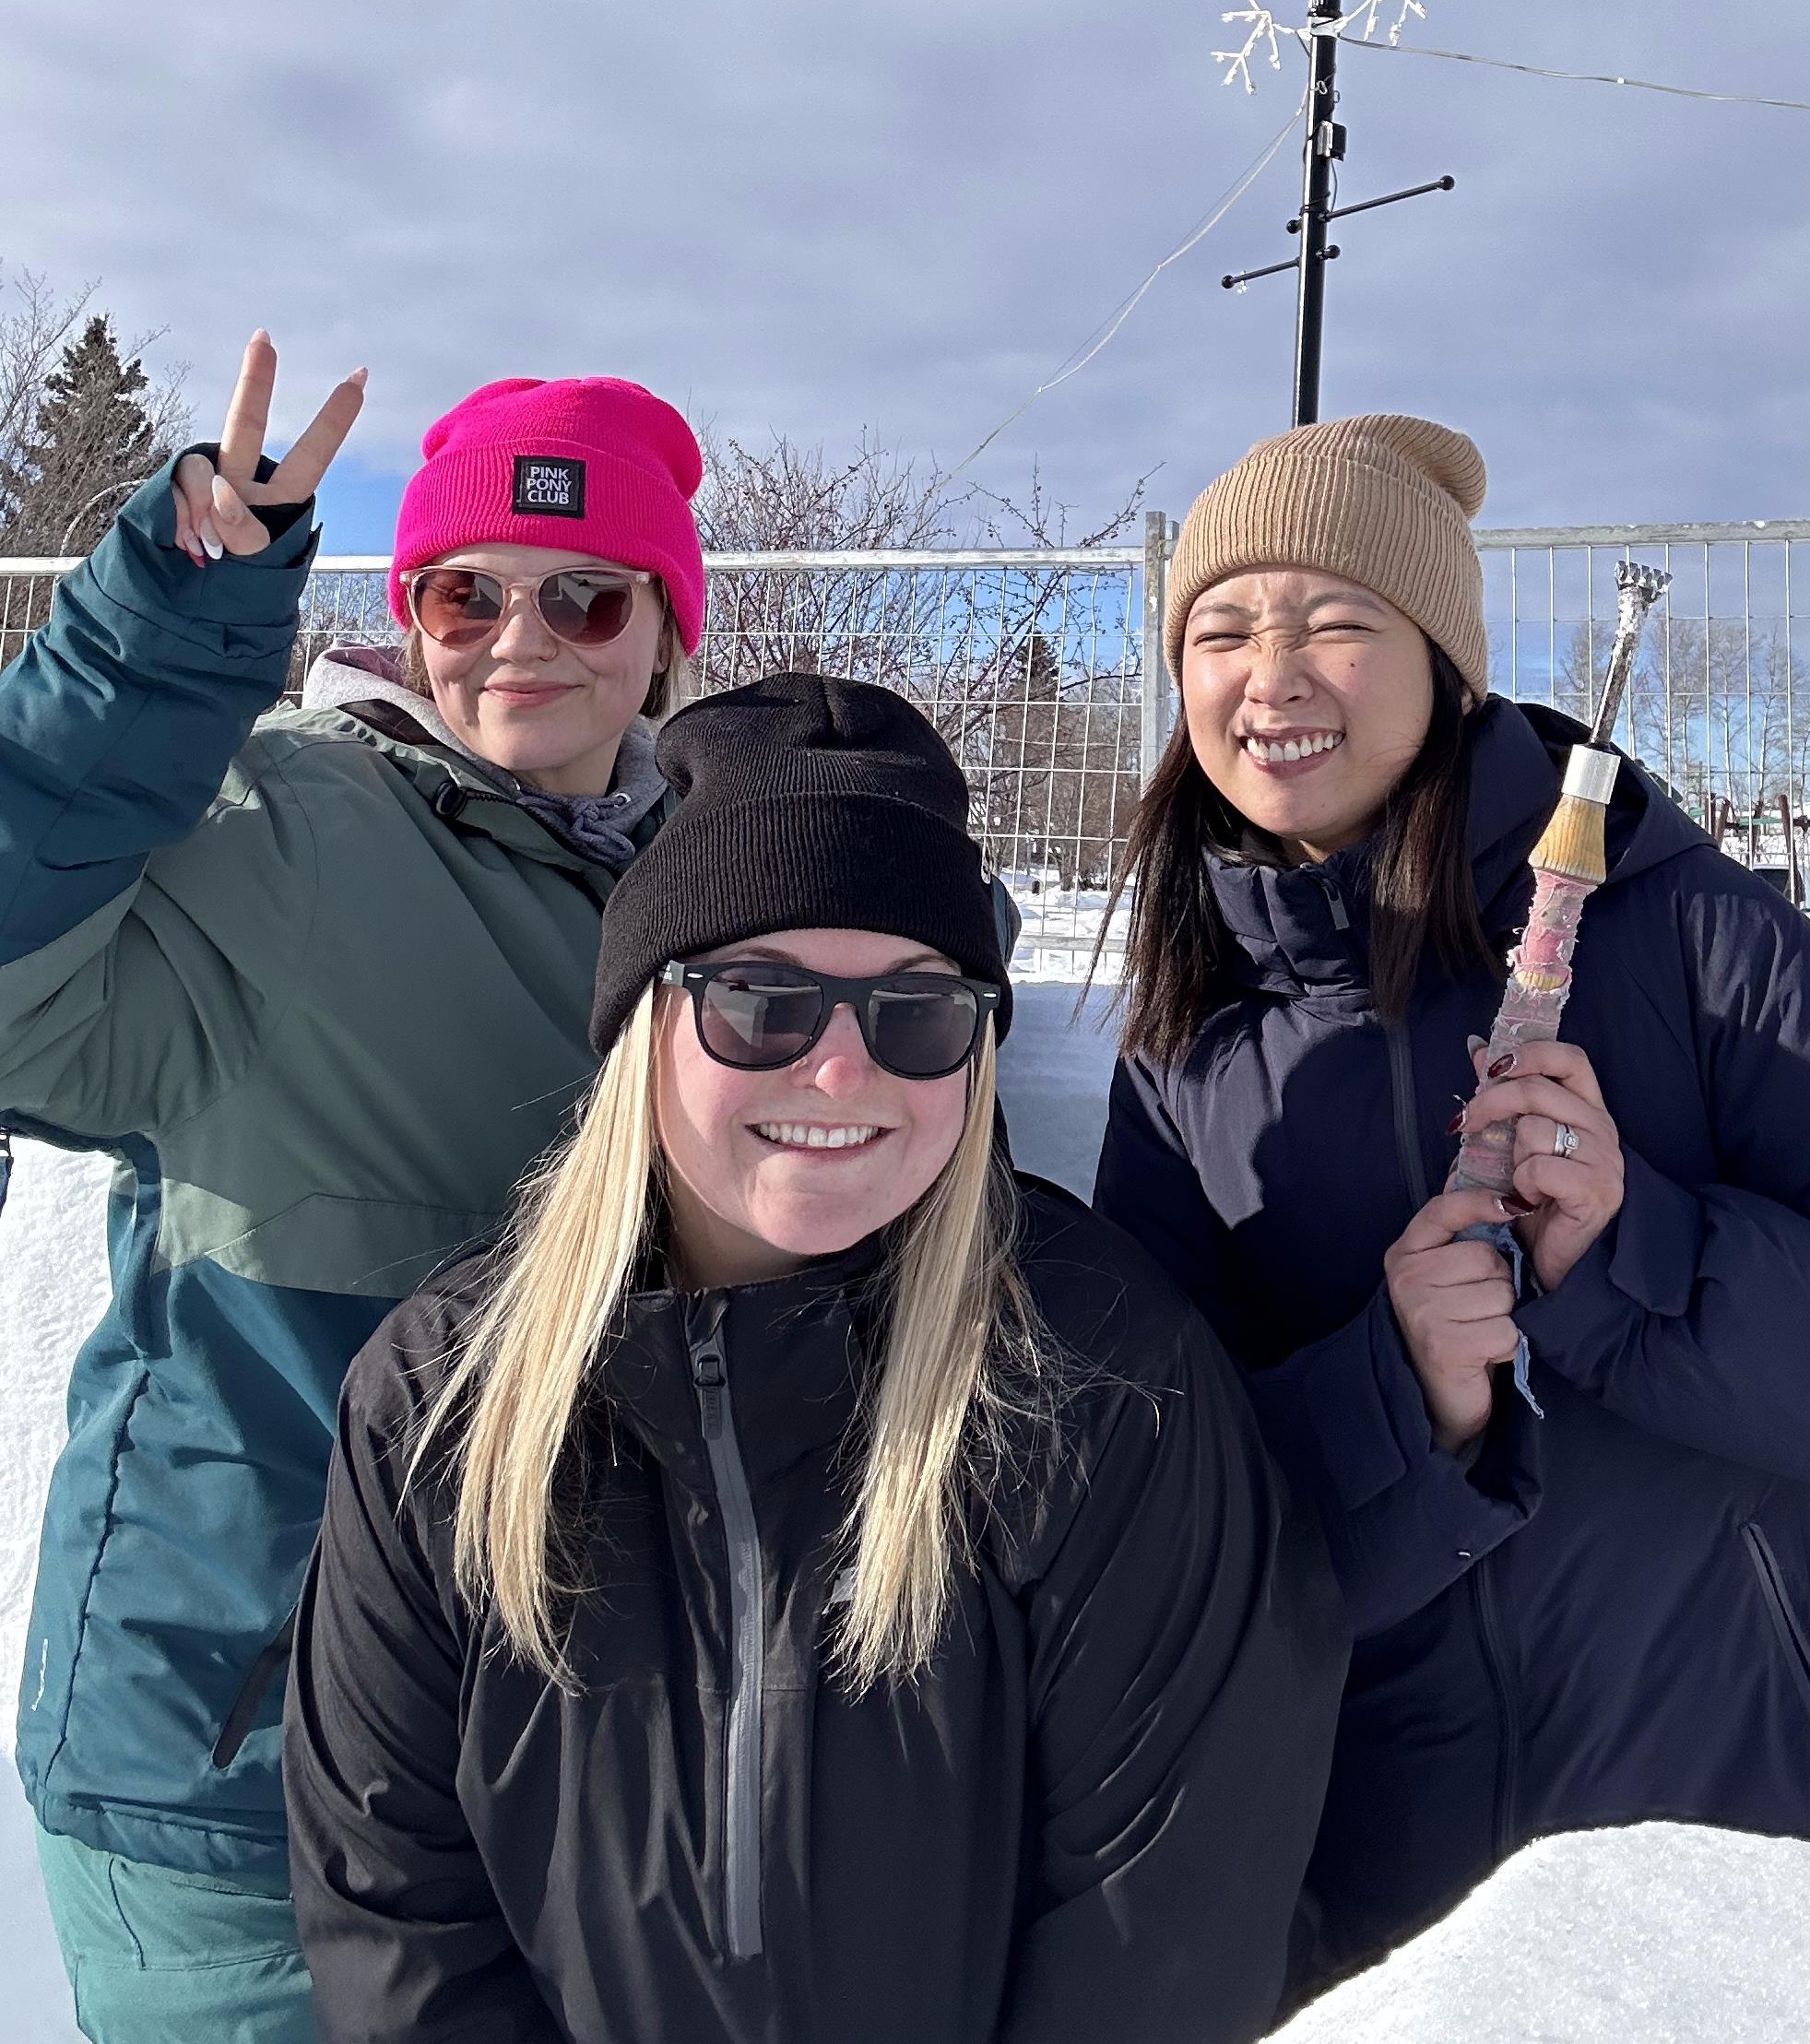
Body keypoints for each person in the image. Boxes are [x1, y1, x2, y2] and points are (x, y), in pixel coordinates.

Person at [1092, 413, 1810, 1994]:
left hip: (1759, 1844)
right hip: (1395, 1889)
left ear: (1446, 664)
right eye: (1221, 632)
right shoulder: (1187, 1039)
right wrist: (1401, 1397)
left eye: (1335, 621)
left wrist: (1637, 1259)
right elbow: (1161, 1506)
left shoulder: (1679, 932)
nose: (1270, 678)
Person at [281, 672, 1347, 2044]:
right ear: (644, 1027)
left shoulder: (1097, 1375)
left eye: (917, 1011)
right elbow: (396, 1918)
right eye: (761, 1001)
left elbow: (1170, 1929)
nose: (841, 1071)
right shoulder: (441, 1403)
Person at [0, 334, 706, 2044]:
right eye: (468, 594)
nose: (521, 639)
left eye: (585, 597)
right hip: (245, 1781)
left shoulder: (708, 884)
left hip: (566, 1782)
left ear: (668, 636)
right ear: (410, 617)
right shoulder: (288, 820)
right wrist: (163, 633)